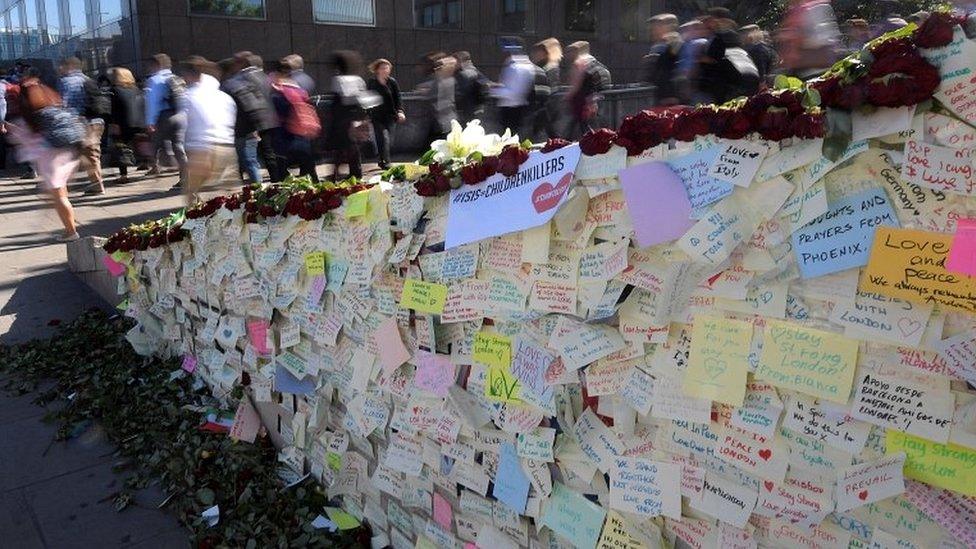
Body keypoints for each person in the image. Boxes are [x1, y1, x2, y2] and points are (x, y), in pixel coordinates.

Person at [11, 70, 81, 241]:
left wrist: (12, 129)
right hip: (69, 151)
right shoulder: (54, 103)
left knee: (59, 197)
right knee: (61, 194)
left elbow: (26, 139)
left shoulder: (31, 115)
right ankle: (69, 229)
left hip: (51, 158)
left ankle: (71, 232)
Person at [179, 56, 236, 205]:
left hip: (201, 149)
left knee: (191, 192)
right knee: (232, 195)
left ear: (190, 75)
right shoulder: (224, 96)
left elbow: (181, 121)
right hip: (227, 147)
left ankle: (195, 222)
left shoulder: (188, 96)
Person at [220, 51, 279, 184]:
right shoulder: (265, 76)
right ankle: (276, 180)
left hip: (250, 123)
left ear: (242, 63)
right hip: (268, 120)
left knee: (250, 156)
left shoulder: (242, 78)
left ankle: (257, 184)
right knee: (268, 154)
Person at [59, 57, 109, 195]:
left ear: (68, 66)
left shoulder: (66, 81)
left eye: (61, 66)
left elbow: (65, 105)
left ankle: (94, 185)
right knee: (91, 154)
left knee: (74, 154)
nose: (59, 69)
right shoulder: (88, 79)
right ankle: (96, 185)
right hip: (97, 121)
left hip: (80, 122)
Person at [324, 50, 376, 181]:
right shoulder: (358, 79)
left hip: (342, 120)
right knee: (352, 149)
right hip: (355, 118)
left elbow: (338, 102)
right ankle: (355, 173)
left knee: (341, 149)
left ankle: (335, 174)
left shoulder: (338, 80)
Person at [270, 55, 322, 182]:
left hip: (285, 138)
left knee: (282, 176)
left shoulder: (278, 91)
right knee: (309, 174)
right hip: (303, 135)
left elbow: (277, 116)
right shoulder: (300, 89)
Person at [144, 53, 189, 187]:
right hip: (181, 115)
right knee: (179, 146)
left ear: (156, 65)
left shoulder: (155, 80)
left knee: (156, 145)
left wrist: (150, 121)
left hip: (165, 116)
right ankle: (186, 177)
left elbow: (152, 102)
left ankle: (155, 166)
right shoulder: (177, 78)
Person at [699, 8, 760, 103]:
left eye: (710, 19)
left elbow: (714, 58)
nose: (707, 22)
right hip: (743, 80)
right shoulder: (732, 36)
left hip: (732, 84)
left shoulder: (722, 37)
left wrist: (701, 59)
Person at [777, 0, 843, 80]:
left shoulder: (814, 8)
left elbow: (820, 40)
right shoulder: (798, 11)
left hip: (814, 67)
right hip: (805, 67)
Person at [564, 41, 612, 138]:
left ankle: (568, 140)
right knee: (584, 122)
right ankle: (596, 139)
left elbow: (576, 83)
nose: (566, 55)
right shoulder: (592, 62)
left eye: (569, 52)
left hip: (582, 99)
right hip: (593, 96)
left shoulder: (578, 63)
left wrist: (568, 96)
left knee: (580, 122)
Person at [106, 67, 145, 184]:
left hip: (123, 124)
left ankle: (124, 175)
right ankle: (147, 164)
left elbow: (114, 110)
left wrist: (114, 124)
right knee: (139, 145)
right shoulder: (136, 89)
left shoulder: (115, 90)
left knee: (121, 149)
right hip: (138, 122)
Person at [492, 37, 536, 138]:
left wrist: (492, 90)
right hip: (515, 109)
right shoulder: (521, 64)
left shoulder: (517, 66)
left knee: (509, 140)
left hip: (511, 110)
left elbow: (514, 93)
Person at [366, 58, 404, 170]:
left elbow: (398, 98)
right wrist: (367, 114)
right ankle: (386, 162)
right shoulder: (372, 83)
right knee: (383, 137)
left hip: (390, 116)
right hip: (377, 116)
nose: (385, 70)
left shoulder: (392, 82)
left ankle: (381, 160)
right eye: (383, 68)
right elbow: (367, 98)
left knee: (388, 140)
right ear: (377, 70)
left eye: (387, 68)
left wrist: (400, 111)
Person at [417, 53, 457, 143]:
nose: (435, 69)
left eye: (438, 67)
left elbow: (434, 95)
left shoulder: (443, 81)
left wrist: (425, 91)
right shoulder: (449, 80)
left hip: (440, 117)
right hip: (444, 117)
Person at [645, 14, 683, 106]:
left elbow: (670, 66)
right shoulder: (660, 44)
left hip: (669, 92)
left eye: (658, 25)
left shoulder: (674, 42)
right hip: (659, 90)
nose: (653, 30)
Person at [676, 20, 710, 104]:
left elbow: (694, 64)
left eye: (687, 30)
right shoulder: (686, 44)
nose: (684, 33)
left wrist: (688, 85)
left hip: (696, 86)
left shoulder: (699, 43)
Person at [452, 51, 488, 124]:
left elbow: (461, 92)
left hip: (467, 109)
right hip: (472, 108)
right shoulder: (472, 71)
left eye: (455, 62)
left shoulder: (466, 74)